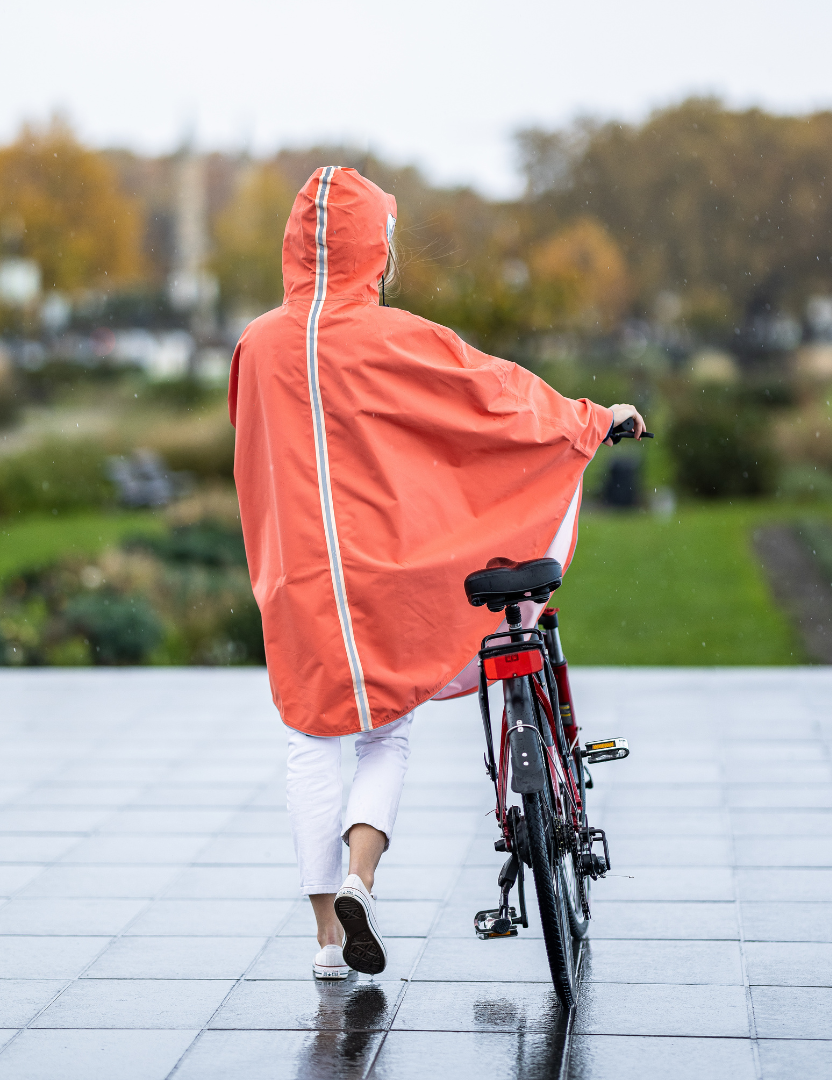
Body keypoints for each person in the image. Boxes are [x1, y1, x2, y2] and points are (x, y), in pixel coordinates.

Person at [228, 166, 644, 980]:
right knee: (386, 731)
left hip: (300, 577)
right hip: (386, 571)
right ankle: (362, 876)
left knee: (311, 739)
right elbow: (496, 398)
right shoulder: (396, 337)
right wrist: (594, 419)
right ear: (375, 249)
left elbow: (254, 454)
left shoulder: (256, 345)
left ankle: (326, 940)